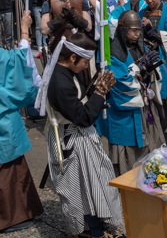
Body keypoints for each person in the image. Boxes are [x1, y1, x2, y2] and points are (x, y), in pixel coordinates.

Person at [36, 32, 123, 238]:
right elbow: (83, 117)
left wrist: (97, 92)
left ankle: (97, 226)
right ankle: (92, 231)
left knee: (93, 182)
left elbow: (81, 101)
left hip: (78, 137)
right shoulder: (59, 81)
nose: (86, 66)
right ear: (73, 57)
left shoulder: (64, 73)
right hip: (70, 141)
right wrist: (99, 94)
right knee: (81, 188)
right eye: (85, 61)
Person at [99, 10, 167, 175]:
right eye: (133, 30)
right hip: (125, 114)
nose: (137, 33)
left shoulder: (141, 47)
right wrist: (138, 71)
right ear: (123, 30)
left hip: (144, 109)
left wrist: (149, 71)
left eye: (139, 30)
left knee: (152, 148)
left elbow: (150, 74)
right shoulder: (113, 55)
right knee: (127, 158)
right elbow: (120, 82)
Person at [0, 12, 41, 233]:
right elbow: (19, 66)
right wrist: (24, 30)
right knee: (10, 172)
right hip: (3, 123)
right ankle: (13, 217)